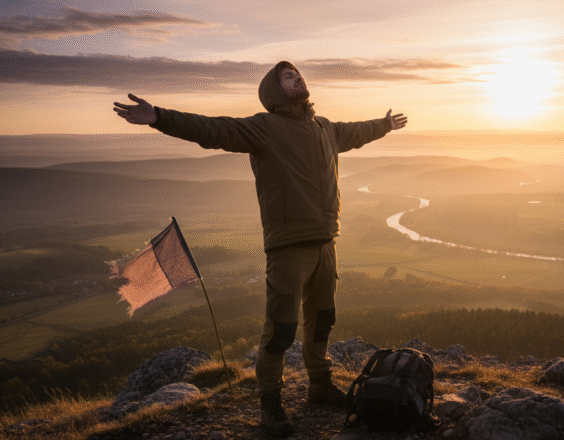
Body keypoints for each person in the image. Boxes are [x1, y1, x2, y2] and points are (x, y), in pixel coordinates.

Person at [113, 60, 407, 437]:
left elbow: (356, 131)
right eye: (289, 76)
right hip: (287, 248)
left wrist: (383, 125)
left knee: (323, 320)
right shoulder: (264, 128)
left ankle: (319, 386)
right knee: (281, 330)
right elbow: (212, 129)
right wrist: (159, 117)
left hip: (325, 242)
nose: (298, 78)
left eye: (298, 74)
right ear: (274, 89)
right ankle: (270, 404)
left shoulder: (324, 128)